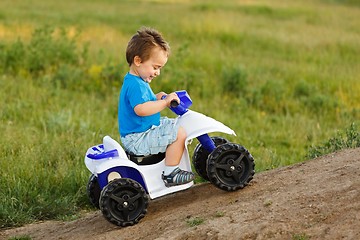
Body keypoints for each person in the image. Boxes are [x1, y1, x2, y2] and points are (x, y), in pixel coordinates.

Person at [118, 27, 194, 187]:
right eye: (155, 67)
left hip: (141, 132)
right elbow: (141, 109)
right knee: (178, 133)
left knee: (173, 125)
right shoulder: (136, 85)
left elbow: (147, 101)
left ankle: (171, 169)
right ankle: (171, 173)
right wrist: (165, 103)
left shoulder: (137, 80)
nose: (157, 72)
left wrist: (159, 97)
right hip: (139, 139)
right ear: (138, 61)